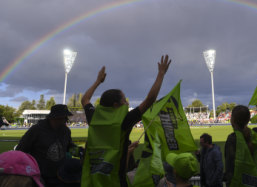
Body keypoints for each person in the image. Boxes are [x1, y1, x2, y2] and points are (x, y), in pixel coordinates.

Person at [81, 55, 171, 187]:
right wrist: (161, 74)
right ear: (116, 105)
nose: (127, 103)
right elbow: (150, 99)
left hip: (93, 181)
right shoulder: (123, 121)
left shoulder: (94, 117)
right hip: (116, 181)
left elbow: (84, 100)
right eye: (124, 100)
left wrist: (98, 81)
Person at [16, 104, 82, 187]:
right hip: (40, 176)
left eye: (66, 118)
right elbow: (20, 150)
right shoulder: (36, 130)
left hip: (61, 175)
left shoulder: (65, 131)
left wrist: (79, 151)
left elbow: (69, 146)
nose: (65, 120)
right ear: (53, 118)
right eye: (63, 118)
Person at [224, 105, 257, 187]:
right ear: (248, 119)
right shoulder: (255, 136)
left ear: (233, 120)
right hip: (255, 181)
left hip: (238, 182)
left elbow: (230, 167)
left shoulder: (232, 139)